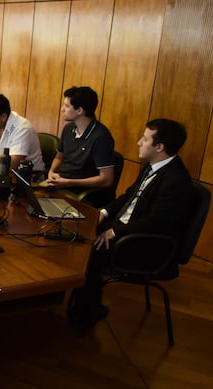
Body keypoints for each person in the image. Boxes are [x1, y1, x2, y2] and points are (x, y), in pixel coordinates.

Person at [68, 119, 193, 329]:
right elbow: (129, 196)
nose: (138, 142)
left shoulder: (176, 180)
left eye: (145, 139)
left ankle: (86, 316)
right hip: (127, 228)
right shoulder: (152, 166)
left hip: (144, 244)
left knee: (88, 252)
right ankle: (75, 301)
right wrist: (103, 213)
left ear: (159, 147)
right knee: (74, 230)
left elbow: (155, 222)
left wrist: (113, 231)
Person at [46, 86, 116, 205]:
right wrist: (51, 172)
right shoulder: (68, 129)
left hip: (80, 192)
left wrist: (69, 182)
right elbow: (59, 157)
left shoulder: (101, 137)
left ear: (79, 111)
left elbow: (107, 180)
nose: (62, 109)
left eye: (67, 106)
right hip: (59, 184)